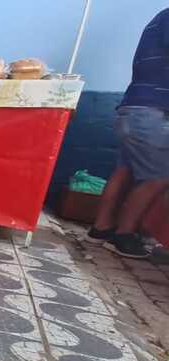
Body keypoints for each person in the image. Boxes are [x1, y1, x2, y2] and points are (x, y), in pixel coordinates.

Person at [87, 7, 169, 259]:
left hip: (133, 109)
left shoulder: (161, 17)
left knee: (125, 170)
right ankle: (124, 234)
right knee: (158, 178)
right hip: (152, 113)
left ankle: (101, 228)